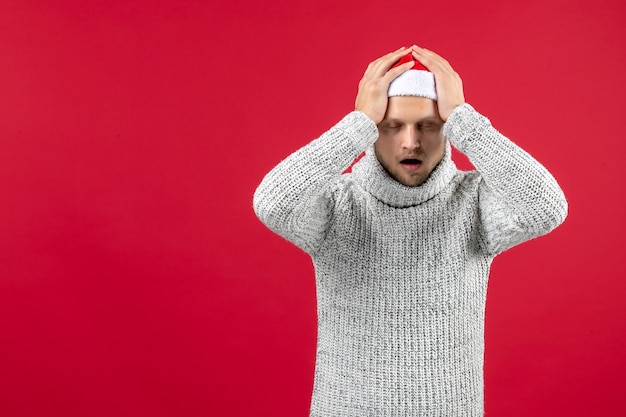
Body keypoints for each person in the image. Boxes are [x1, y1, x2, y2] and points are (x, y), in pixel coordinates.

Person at [253, 45, 567, 417]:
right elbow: (272, 203)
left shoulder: (474, 202)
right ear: (372, 131)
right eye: (391, 126)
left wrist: (465, 119)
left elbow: (546, 208)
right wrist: (357, 123)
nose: (410, 141)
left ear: (448, 130)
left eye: (428, 125)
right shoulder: (337, 204)